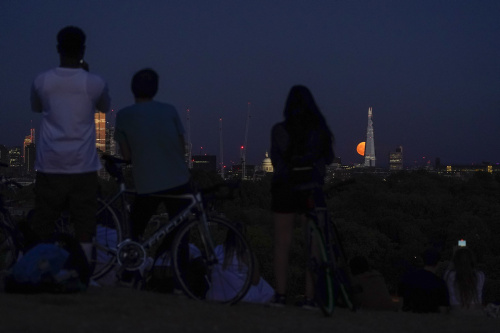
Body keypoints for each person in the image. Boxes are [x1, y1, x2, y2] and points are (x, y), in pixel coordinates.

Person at [30, 26, 111, 264]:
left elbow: (37, 107)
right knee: (85, 222)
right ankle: (84, 272)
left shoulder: (42, 81)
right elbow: (104, 107)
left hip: (50, 163)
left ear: (57, 48)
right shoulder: (94, 82)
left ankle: (38, 267)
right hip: (83, 164)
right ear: (83, 49)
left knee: (44, 220)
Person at [269, 85, 334, 308]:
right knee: (313, 245)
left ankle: (280, 295)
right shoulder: (320, 130)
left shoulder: (279, 130)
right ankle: (310, 298)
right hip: (312, 188)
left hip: (285, 188)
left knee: (282, 243)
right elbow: (328, 159)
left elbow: (277, 162)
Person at [114, 68, 191, 245]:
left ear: (132, 89)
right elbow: (181, 148)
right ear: (155, 89)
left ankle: (130, 268)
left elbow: (126, 155)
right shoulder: (170, 110)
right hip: (178, 179)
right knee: (181, 231)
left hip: (147, 182)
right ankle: (179, 267)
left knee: (134, 233)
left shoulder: (124, 115)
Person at [398, 248, 449, 313]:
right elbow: (443, 309)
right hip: (431, 320)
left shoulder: (408, 278)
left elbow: (401, 304)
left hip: (410, 319)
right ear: (438, 263)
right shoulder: (440, 283)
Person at [444, 247, 485, 314]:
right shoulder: (480, 276)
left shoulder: (450, 276)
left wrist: (454, 256)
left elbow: (449, 268)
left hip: (456, 313)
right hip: (476, 313)